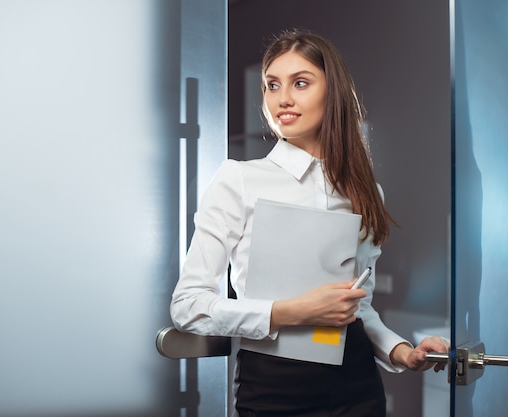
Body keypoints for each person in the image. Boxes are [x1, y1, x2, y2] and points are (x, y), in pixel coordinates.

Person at [170, 29, 449, 417]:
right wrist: (291, 312)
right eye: (272, 85)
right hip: (273, 389)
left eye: (300, 83)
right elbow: (189, 306)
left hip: (358, 386)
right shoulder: (239, 179)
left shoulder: (366, 191)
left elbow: (359, 305)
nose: (282, 98)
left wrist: (403, 352)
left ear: (331, 91)